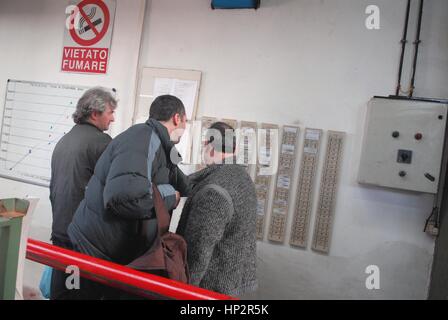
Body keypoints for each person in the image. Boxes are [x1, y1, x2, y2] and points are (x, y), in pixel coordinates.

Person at [67, 94, 190, 299]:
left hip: (111, 256)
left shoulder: (161, 146)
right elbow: (126, 197)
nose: (185, 129)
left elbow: (183, 183)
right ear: (177, 119)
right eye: (186, 122)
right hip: (93, 254)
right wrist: (170, 196)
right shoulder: (143, 137)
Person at [49, 87, 116, 300]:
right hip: (82, 238)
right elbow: (115, 191)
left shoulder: (64, 140)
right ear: (95, 114)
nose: (113, 118)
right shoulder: (102, 143)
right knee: (78, 293)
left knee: (61, 292)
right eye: (110, 112)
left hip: (60, 230)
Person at [177, 122, 258, 296]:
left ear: (209, 146)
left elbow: (198, 252)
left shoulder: (214, 191)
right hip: (231, 283)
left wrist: (182, 292)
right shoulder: (243, 179)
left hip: (209, 288)